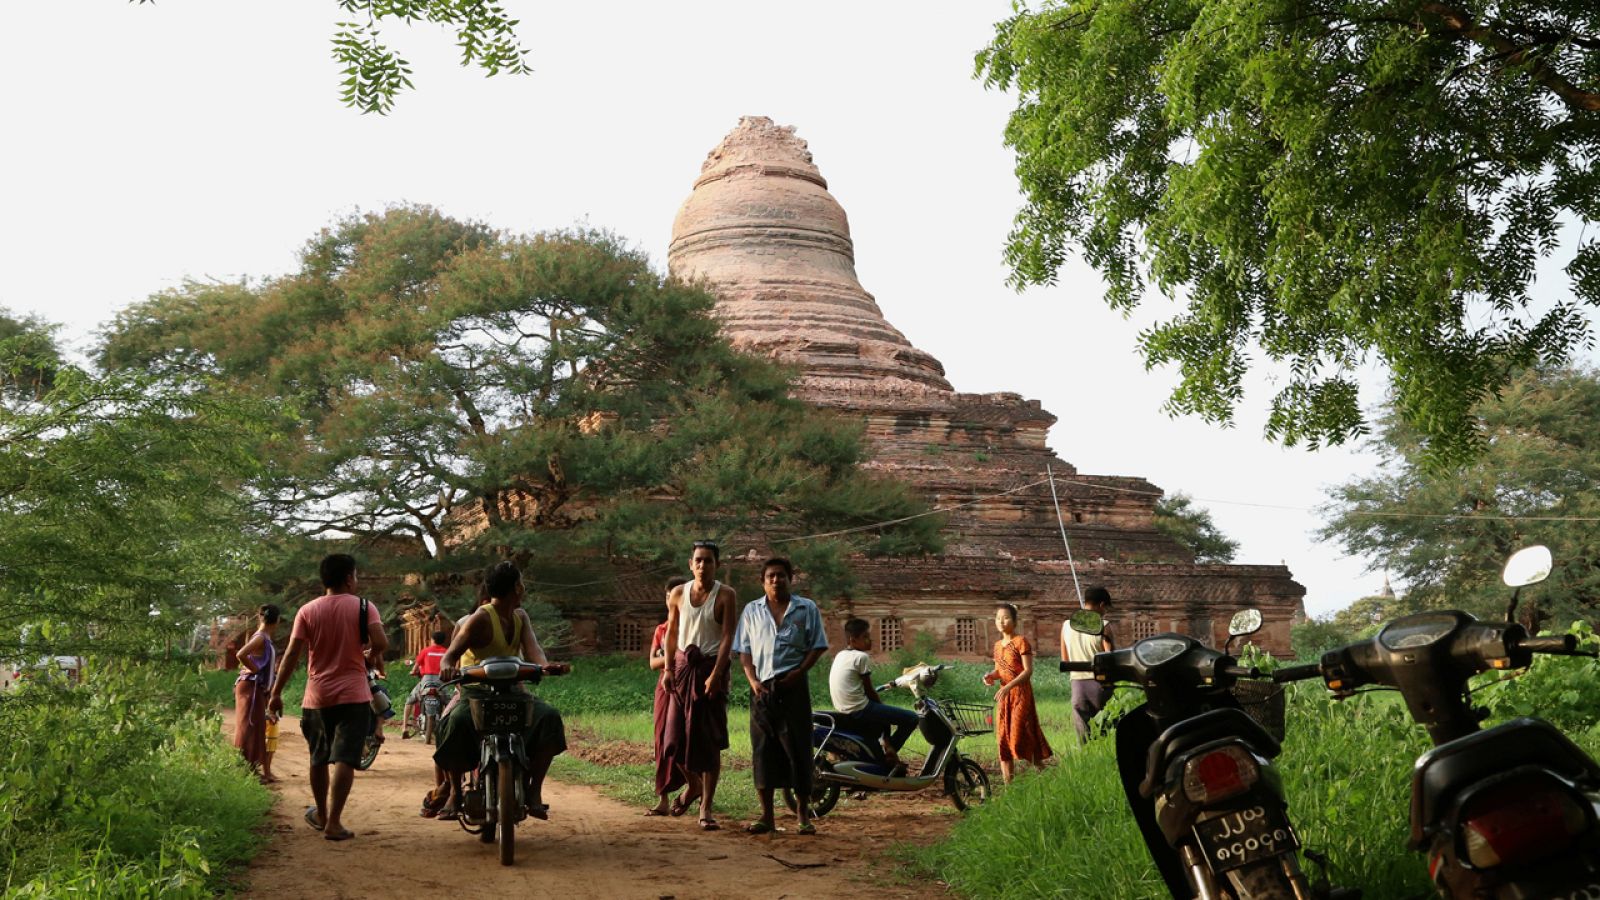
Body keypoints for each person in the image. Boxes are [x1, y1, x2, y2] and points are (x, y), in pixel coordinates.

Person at [434, 561, 568, 821]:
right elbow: (450, 655)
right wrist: (448, 667)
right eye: (522, 583)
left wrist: (545, 666)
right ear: (517, 587)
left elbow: (533, 650)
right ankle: (455, 792)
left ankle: (534, 791)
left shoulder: (520, 616)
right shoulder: (481, 618)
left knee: (549, 718)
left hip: (514, 690)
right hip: (477, 692)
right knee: (455, 723)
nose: (524, 588)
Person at [268, 554, 388, 842]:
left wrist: (276, 693)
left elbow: (292, 655)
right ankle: (334, 822)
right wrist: (371, 656)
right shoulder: (363, 607)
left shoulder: (307, 611)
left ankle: (321, 813)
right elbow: (381, 641)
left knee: (318, 757)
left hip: (317, 696)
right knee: (346, 757)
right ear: (348, 578)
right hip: (354, 694)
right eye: (355, 575)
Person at [735, 557, 829, 836]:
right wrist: (752, 681)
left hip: (793, 687)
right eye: (771, 576)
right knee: (763, 750)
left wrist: (798, 673)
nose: (776, 580)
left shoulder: (806, 608)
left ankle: (802, 816)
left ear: (791, 578)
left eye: (781, 576)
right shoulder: (752, 610)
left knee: (798, 749)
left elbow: (817, 646)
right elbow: (744, 650)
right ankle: (767, 816)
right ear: (763, 581)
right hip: (762, 689)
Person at [660, 540, 737, 831]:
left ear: (717, 564)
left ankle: (706, 806)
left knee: (709, 740)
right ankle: (692, 786)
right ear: (690, 564)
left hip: (709, 671)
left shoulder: (726, 595)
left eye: (708, 560)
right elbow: (671, 633)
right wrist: (668, 668)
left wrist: (717, 674)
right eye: (698, 560)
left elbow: (728, 636)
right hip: (681, 669)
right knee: (673, 740)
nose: (703, 565)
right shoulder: (678, 594)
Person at [827, 618, 919, 770]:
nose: (870, 640)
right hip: (860, 708)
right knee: (911, 718)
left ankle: (883, 750)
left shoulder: (840, 655)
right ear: (853, 639)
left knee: (883, 718)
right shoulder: (861, 657)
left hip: (844, 707)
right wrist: (880, 704)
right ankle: (889, 753)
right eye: (865, 637)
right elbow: (869, 690)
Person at [983, 602, 1052, 783]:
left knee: (1019, 737)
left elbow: (1027, 671)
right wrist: (990, 676)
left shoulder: (1021, 641)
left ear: (1014, 621)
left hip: (1020, 694)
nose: (1001, 621)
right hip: (1004, 697)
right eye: (998, 618)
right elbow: (999, 670)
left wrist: (1008, 686)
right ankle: (1009, 789)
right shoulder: (998, 646)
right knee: (1003, 740)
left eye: (1005, 618)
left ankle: (1042, 771)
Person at [646, 576, 691, 817]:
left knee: (690, 738)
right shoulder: (662, 630)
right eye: (669, 595)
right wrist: (675, 657)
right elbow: (653, 662)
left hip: (689, 684)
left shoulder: (694, 628)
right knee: (662, 739)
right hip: (665, 687)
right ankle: (662, 797)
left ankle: (697, 789)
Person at [1060, 586, 1116, 745]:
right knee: (1106, 732)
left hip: (1077, 685)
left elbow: (1065, 659)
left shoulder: (1066, 625)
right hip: (1101, 683)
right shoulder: (1104, 625)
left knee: (1083, 736)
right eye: (1106, 609)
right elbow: (1110, 658)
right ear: (1102, 605)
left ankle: (1087, 761)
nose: (1105, 613)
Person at [233, 604, 282, 784]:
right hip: (250, 686)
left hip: (255, 688)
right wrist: (255, 670)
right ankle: (246, 770)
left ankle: (252, 768)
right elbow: (241, 654)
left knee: (256, 727)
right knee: (249, 726)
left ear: (260, 617)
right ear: (277, 620)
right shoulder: (261, 638)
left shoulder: (264, 638)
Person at [402, 630, 450, 740]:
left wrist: (413, 672)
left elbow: (416, 667)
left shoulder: (426, 651)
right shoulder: (446, 652)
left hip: (426, 680)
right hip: (440, 681)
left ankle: (404, 728)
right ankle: (446, 728)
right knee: (449, 703)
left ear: (432, 640)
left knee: (410, 700)